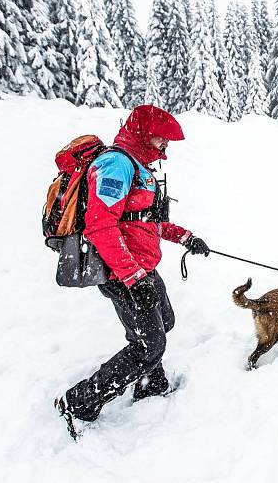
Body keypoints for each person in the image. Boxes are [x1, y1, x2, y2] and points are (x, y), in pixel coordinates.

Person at [55, 104, 209, 427]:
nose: (166, 148)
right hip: (121, 273)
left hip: (142, 269)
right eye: (162, 140)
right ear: (145, 134)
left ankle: (150, 382)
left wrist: (186, 238)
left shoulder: (142, 171)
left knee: (164, 321)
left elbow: (149, 223)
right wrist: (134, 278)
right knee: (149, 344)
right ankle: (79, 402)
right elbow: (100, 226)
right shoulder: (116, 165)